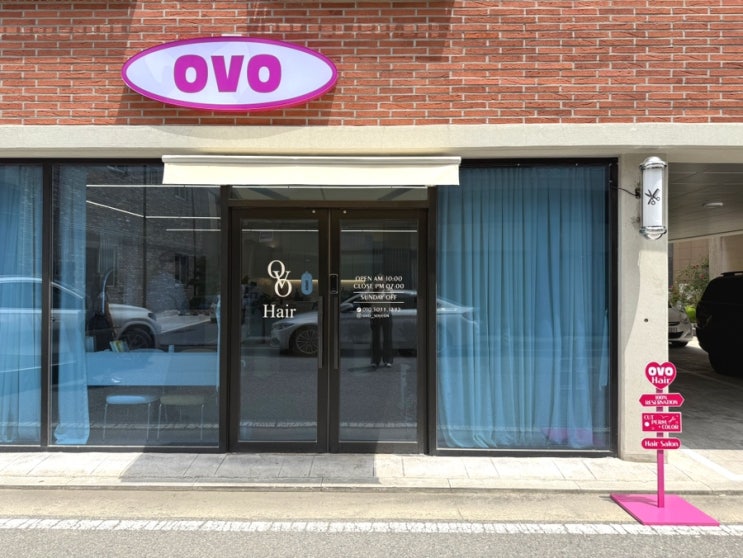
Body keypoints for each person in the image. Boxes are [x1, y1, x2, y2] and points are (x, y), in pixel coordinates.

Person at [370, 282, 393, 368]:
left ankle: (388, 360)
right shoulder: (372, 290)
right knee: (375, 338)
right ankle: (375, 361)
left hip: (386, 314)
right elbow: (368, 299)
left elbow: (389, 300)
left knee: (387, 338)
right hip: (375, 314)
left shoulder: (388, 290)